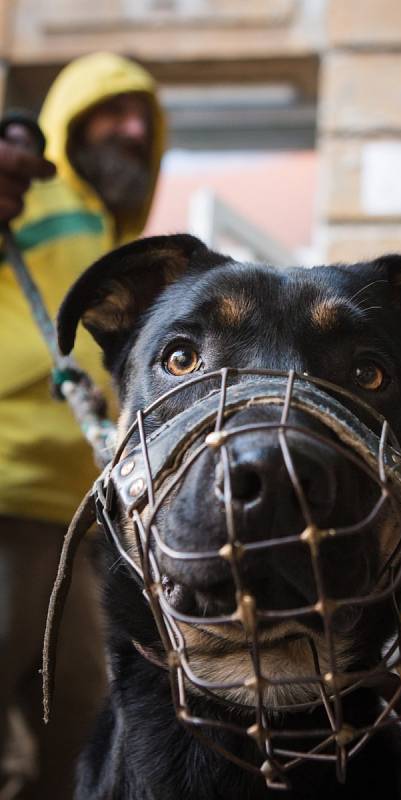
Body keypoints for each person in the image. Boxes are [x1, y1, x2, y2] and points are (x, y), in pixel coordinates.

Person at [0, 52, 165, 799]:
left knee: (78, 737)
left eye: (144, 118)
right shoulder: (26, 196)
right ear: (68, 118)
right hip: (5, 494)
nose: (131, 129)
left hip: (82, 525)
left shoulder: (116, 240)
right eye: (112, 110)